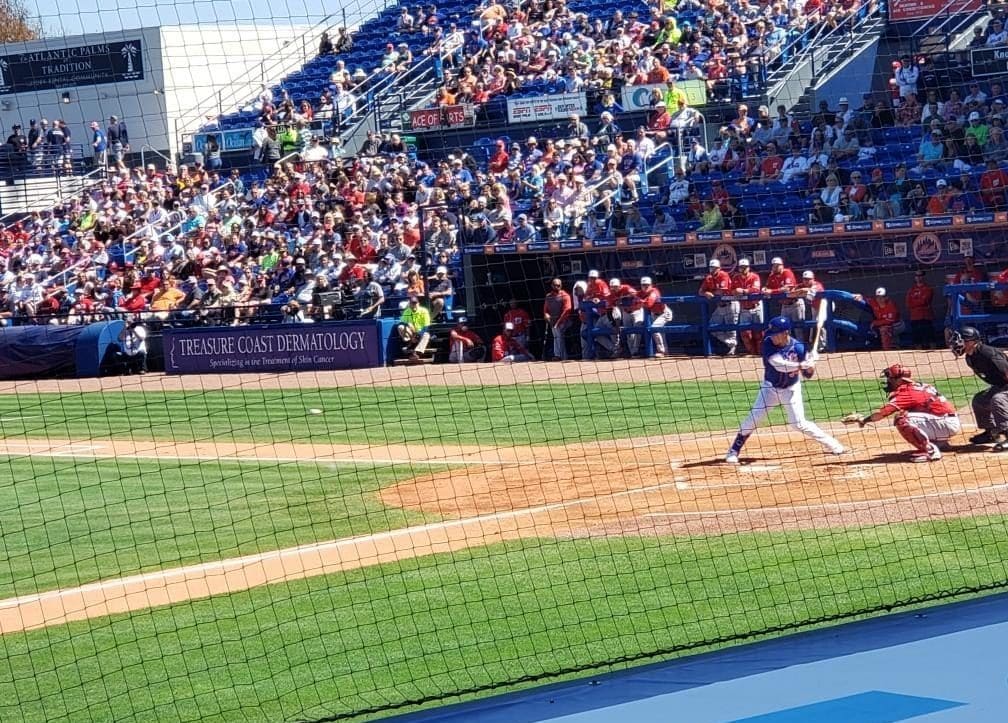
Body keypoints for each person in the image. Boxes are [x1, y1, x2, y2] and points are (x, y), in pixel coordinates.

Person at [725, 316, 846, 464]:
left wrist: (810, 364)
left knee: (798, 424)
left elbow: (808, 375)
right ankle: (733, 450)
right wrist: (801, 365)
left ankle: (833, 444)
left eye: (776, 333)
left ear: (785, 333)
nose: (773, 336)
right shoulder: (768, 344)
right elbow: (779, 365)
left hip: (791, 389)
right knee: (754, 418)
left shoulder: (799, 348)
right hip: (769, 389)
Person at [846, 364, 959, 462]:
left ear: (899, 380)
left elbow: (882, 414)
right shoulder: (918, 385)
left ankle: (930, 451)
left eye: (890, 378)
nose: (887, 381)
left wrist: (864, 420)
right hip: (945, 421)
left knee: (902, 418)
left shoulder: (907, 393)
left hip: (945, 424)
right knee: (909, 413)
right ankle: (940, 443)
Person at [950, 326, 1008, 449]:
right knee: (980, 400)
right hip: (1002, 386)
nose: (956, 344)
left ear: (971, 341)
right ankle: (992, 433)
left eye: (960, 340)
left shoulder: (988, 353)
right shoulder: (970, 357)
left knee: (998, 399)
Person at [699, 259, 737, 356]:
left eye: (715, 268)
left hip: (731, 304)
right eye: (711, 268)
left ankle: (732, 350)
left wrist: (710, 292)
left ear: (719, 268)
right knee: (712, 327)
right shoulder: (708, 278)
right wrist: (705, 293)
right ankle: (731, 343)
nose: (713, 270)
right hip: (720, 306)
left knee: (731, 328)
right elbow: (700, 292)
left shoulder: (723, 274)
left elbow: (722, 291)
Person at [764, 256, 802, 338]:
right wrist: (764, 289)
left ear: (782, 265)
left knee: (798, 329)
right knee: (784, 328)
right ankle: (788, 348)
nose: (775, 267)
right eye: (774, 266)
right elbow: (767, 287)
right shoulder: (772, 276)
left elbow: (788, 288)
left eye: (777, 265)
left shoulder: (787, 272)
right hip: (784, 306)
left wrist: (772, 291)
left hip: (795, 304)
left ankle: (801, 348)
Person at [731, 258, 762, 355]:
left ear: (749, 268)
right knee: (745, 334)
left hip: (756, 307)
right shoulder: (736, 278)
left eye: (745, 267)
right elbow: (731, 290)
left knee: (759, 333)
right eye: (741, 267)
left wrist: (743, 291)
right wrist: (735, 291)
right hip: (744, 308)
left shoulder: (755, 276)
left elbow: (756, 290)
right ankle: (752, 353)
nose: (743, 269)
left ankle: (760, 353)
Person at [638, 276, 673, 357]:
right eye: (643, 285)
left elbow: (648, 304)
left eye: (647, 285)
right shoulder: (642, 292)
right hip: (654, 314)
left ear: (651, 285)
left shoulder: (654, 292)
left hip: (664, 313)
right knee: (660, 332)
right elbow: (634, 295)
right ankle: (665, 351)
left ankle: (662, 351)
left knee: (654, 329)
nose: (645, 286)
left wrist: (640, 301)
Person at [543, 278, 573, 361]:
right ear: (552, 285)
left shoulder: (565, 295)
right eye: (555, 285)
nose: (557, 287)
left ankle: (558, 356)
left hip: (565, 321)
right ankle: (563, 357)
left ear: (561, 285)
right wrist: (546, 315)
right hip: (553, 322)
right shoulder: (549, 296)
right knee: (557, 336)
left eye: (558, 285)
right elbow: (545, 310)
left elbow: (567, 310)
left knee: (558, 334)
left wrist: (558, 323)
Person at [397, 294, 433, 362]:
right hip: (412, 332)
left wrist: (418, 335)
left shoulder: (424, 311)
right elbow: (401, 322)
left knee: (426, 335)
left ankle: (416, 352)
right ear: (409, 304)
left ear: (418, 303)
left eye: (415, 303)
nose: (413, 304)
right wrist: (408, 325)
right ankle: (409, 342)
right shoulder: (407, 311)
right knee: (401, 327)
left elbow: (427, 326)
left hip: (421, 332)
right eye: (412, 303)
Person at [905, 271, 936, 349]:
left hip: (926, 316)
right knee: (917, 339)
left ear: (923, 277)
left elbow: (924, 301)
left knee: (930, 337)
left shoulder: (928, 288)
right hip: (914, 317)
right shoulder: (911, 290)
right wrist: (918, 301)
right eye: (917, 276)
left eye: (920, 275)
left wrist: (915, 301)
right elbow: (908, 303)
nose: (918, 277)